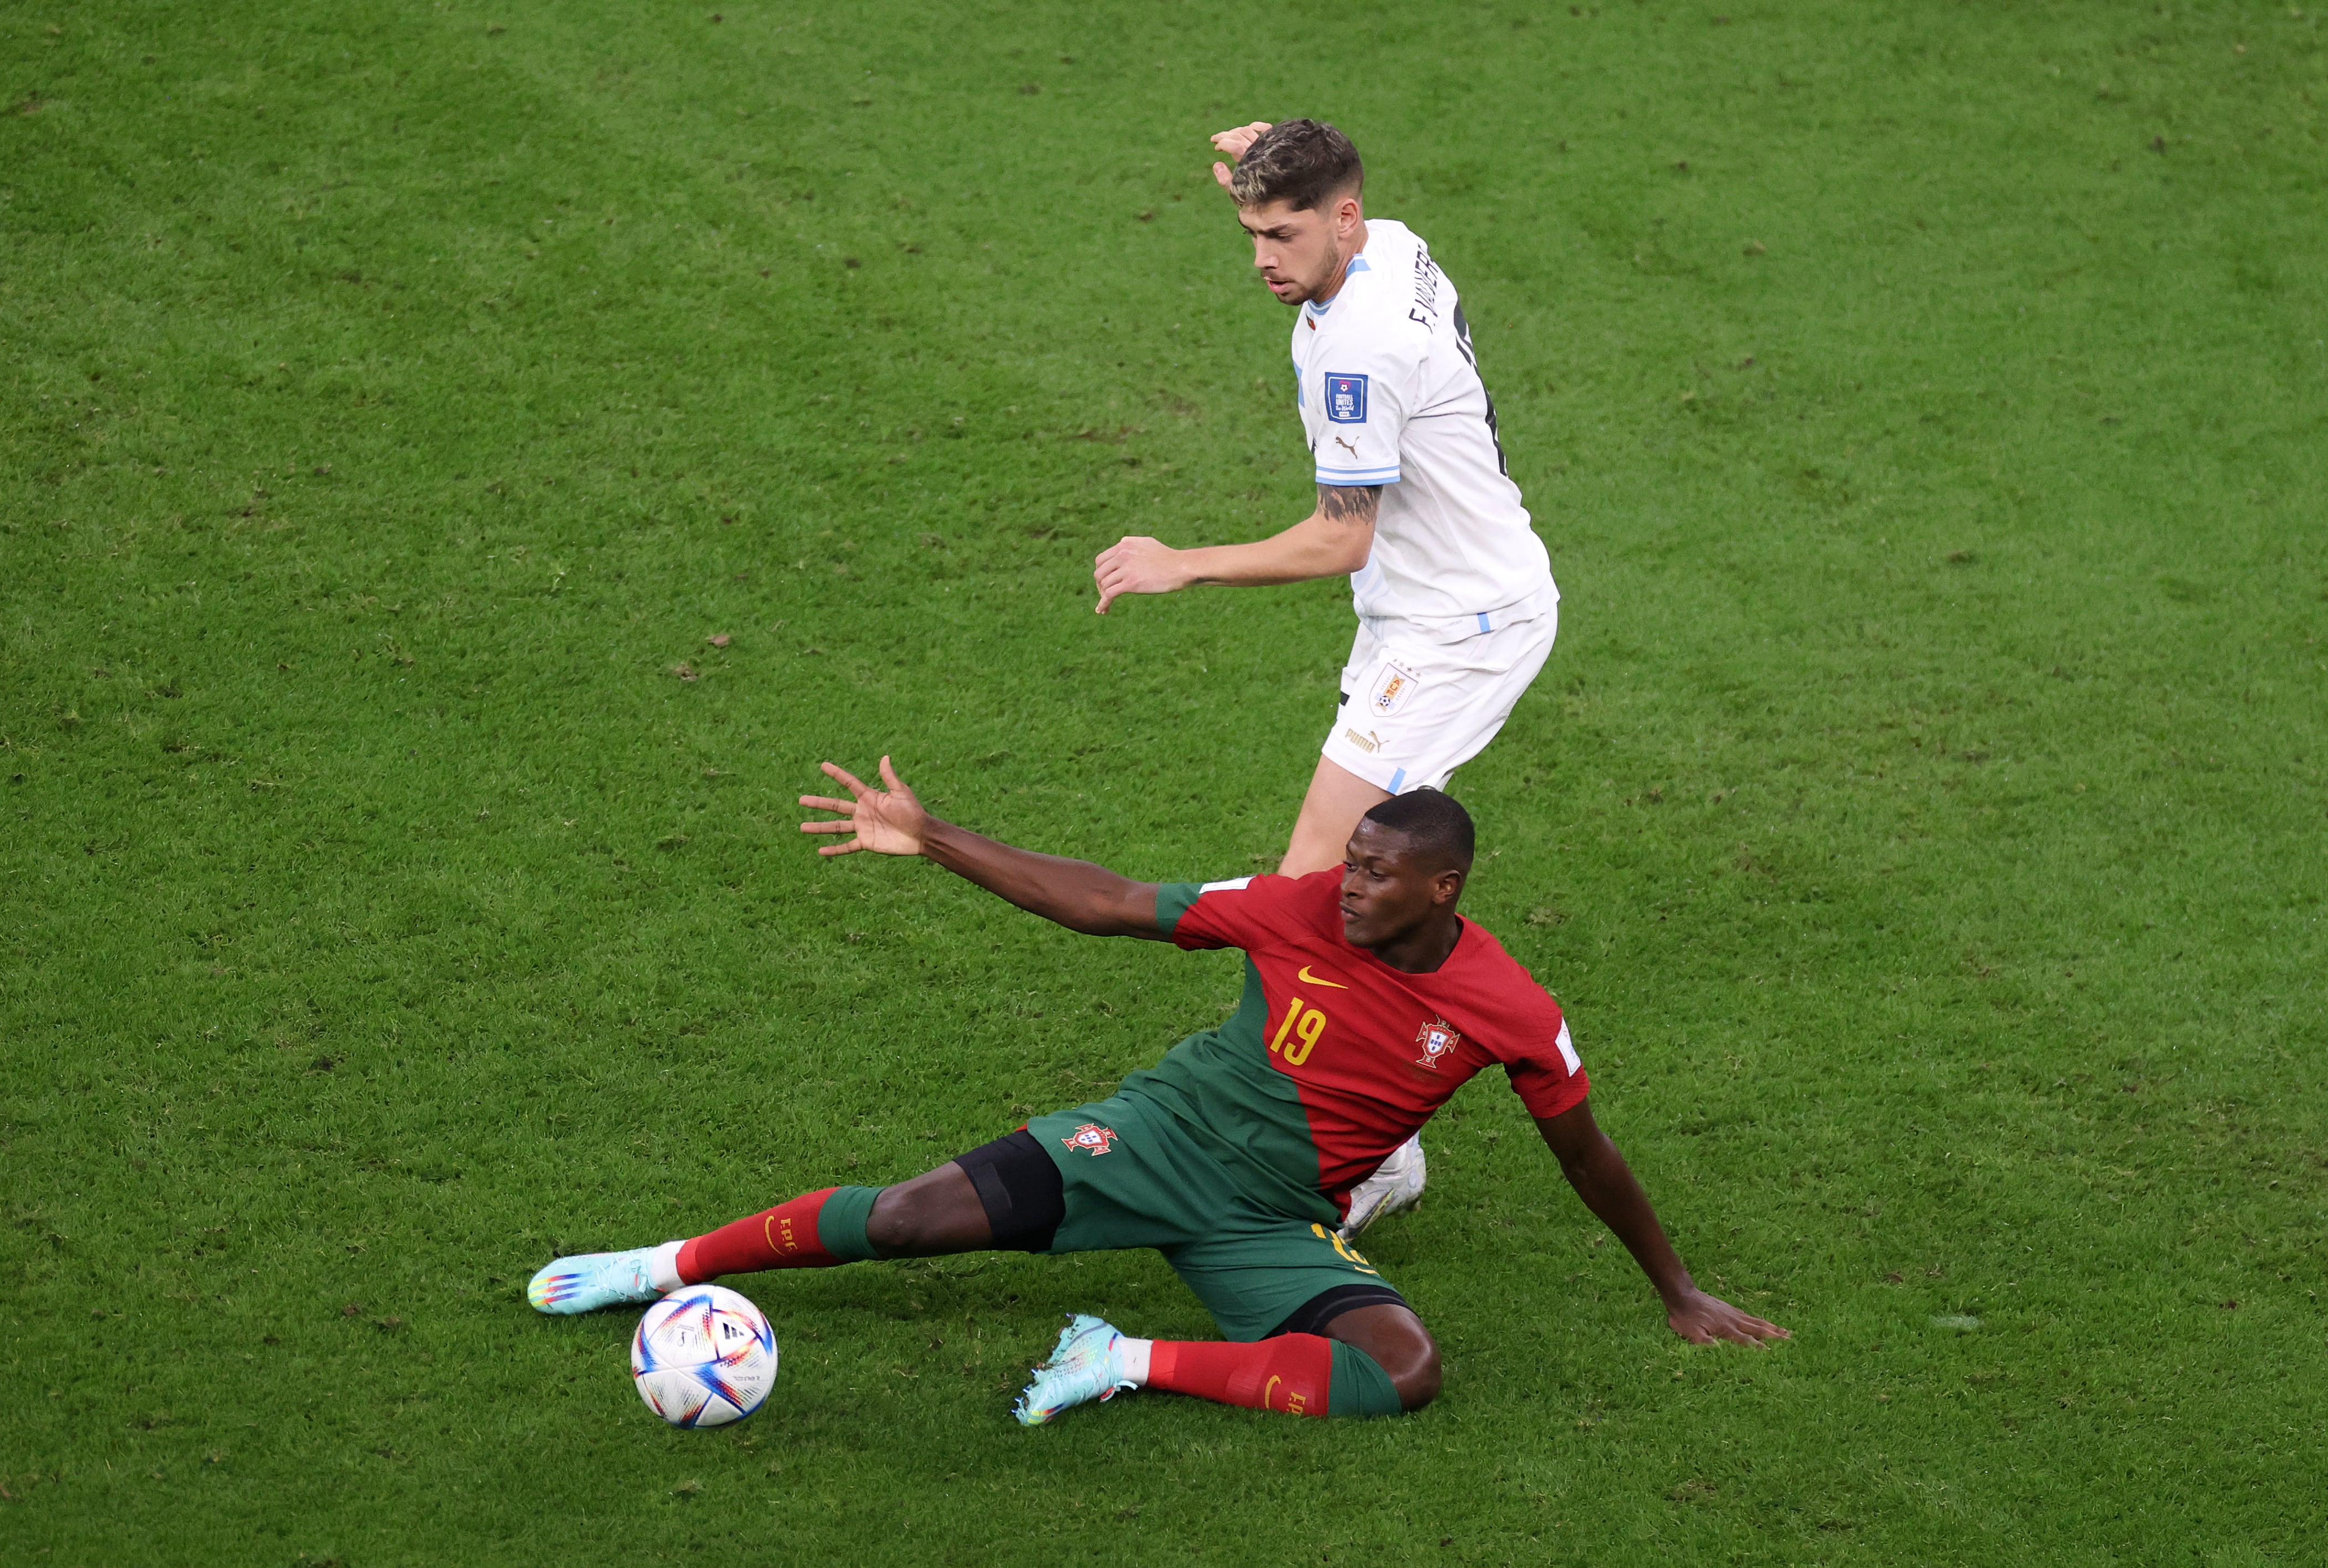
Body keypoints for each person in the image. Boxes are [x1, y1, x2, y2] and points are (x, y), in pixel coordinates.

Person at [527, 758, 1787, 1427]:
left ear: (1443, 889)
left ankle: (1119, 1355)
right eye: (1350, 864)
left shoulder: (1509, 1007)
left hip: (1271, 1219)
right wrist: (940, 838)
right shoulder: (1299, 908)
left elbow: (1588, 1155)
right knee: (909, 1219)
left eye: (1380, 876)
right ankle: (665, 1263)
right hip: (1147, 1139)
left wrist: (1677, 1291)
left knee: (1404, 1372)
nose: (1348, 888)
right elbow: (1111, 903)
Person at [1091, 119, 1561, 1235]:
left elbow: (1340, 536)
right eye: (1250, 230)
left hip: (1455, 629)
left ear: (1343, 217)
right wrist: (1277, 150)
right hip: (1432, 602)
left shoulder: (1358, 352)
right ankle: (1355, 1134)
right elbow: (1317, 190)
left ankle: (1360, 1155)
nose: (1264, 256)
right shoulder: (1387, 241)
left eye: (1285, 232)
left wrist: (1182, 563)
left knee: (1314, 884)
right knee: (1325, 889)